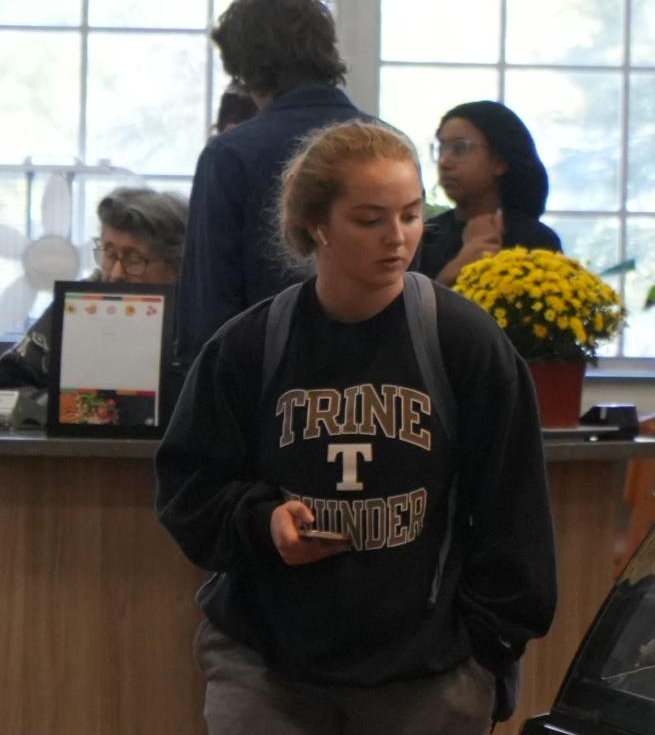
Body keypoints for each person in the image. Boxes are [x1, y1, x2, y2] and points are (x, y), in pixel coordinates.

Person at [155, 120, 558, 734]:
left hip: (427, 671)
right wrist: (263, 523)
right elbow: (188, 491)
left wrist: (486, 650)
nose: (397, 239)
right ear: (318, 224)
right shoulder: (250, 346)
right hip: (269, 664)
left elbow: (516, 510)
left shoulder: (464, 341)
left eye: (412, 215)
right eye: (370, 220)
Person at [178, 0, 368, 366]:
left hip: (263, 391)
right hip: (374, 391)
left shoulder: (229, 156)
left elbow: (209, 306)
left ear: (243, 66)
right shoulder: (391, 148)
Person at [0, 186, 187, 424]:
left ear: (175, 266)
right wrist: (67, 409)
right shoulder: (78, 306)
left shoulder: (198, 319)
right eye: (109, 254)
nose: (116, 273)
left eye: (134, 259)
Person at [418, 100, 564, 286]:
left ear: (499, 162)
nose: (444, 162)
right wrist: (457, 268)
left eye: (460, 148)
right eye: (441, 148)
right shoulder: (425, 237)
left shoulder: (536, 241)